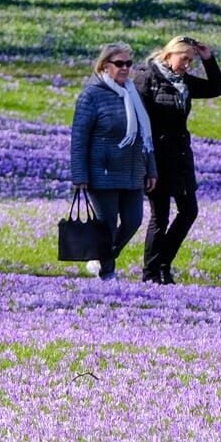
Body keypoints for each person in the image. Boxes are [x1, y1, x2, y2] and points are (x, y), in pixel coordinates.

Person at [129, 36, 221, 284]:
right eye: (184, 59)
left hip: (181, 157)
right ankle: (151, 273)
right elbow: (139, 126)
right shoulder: (146, 80)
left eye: (190, 61)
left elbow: (216, 88)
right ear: (168, 55)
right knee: (160, 216)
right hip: (157, 158)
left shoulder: (184, 82)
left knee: (188, 211)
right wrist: (145, 164)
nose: (186, 65)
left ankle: (163, 263)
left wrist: (208, 58)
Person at [69, 43, 156, 280]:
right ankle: (107, 273)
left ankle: (100, 257)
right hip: (103, 173)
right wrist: (80, 176)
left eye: (129, 63)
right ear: (105, 66)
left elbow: (143, 136)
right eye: (120, 63)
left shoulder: (133, 93)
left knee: (133, 222)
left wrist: (151, 169)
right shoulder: (91, 95)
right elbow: (79, 137)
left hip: (133, 172)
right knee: (106, 226)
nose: (126, 68)